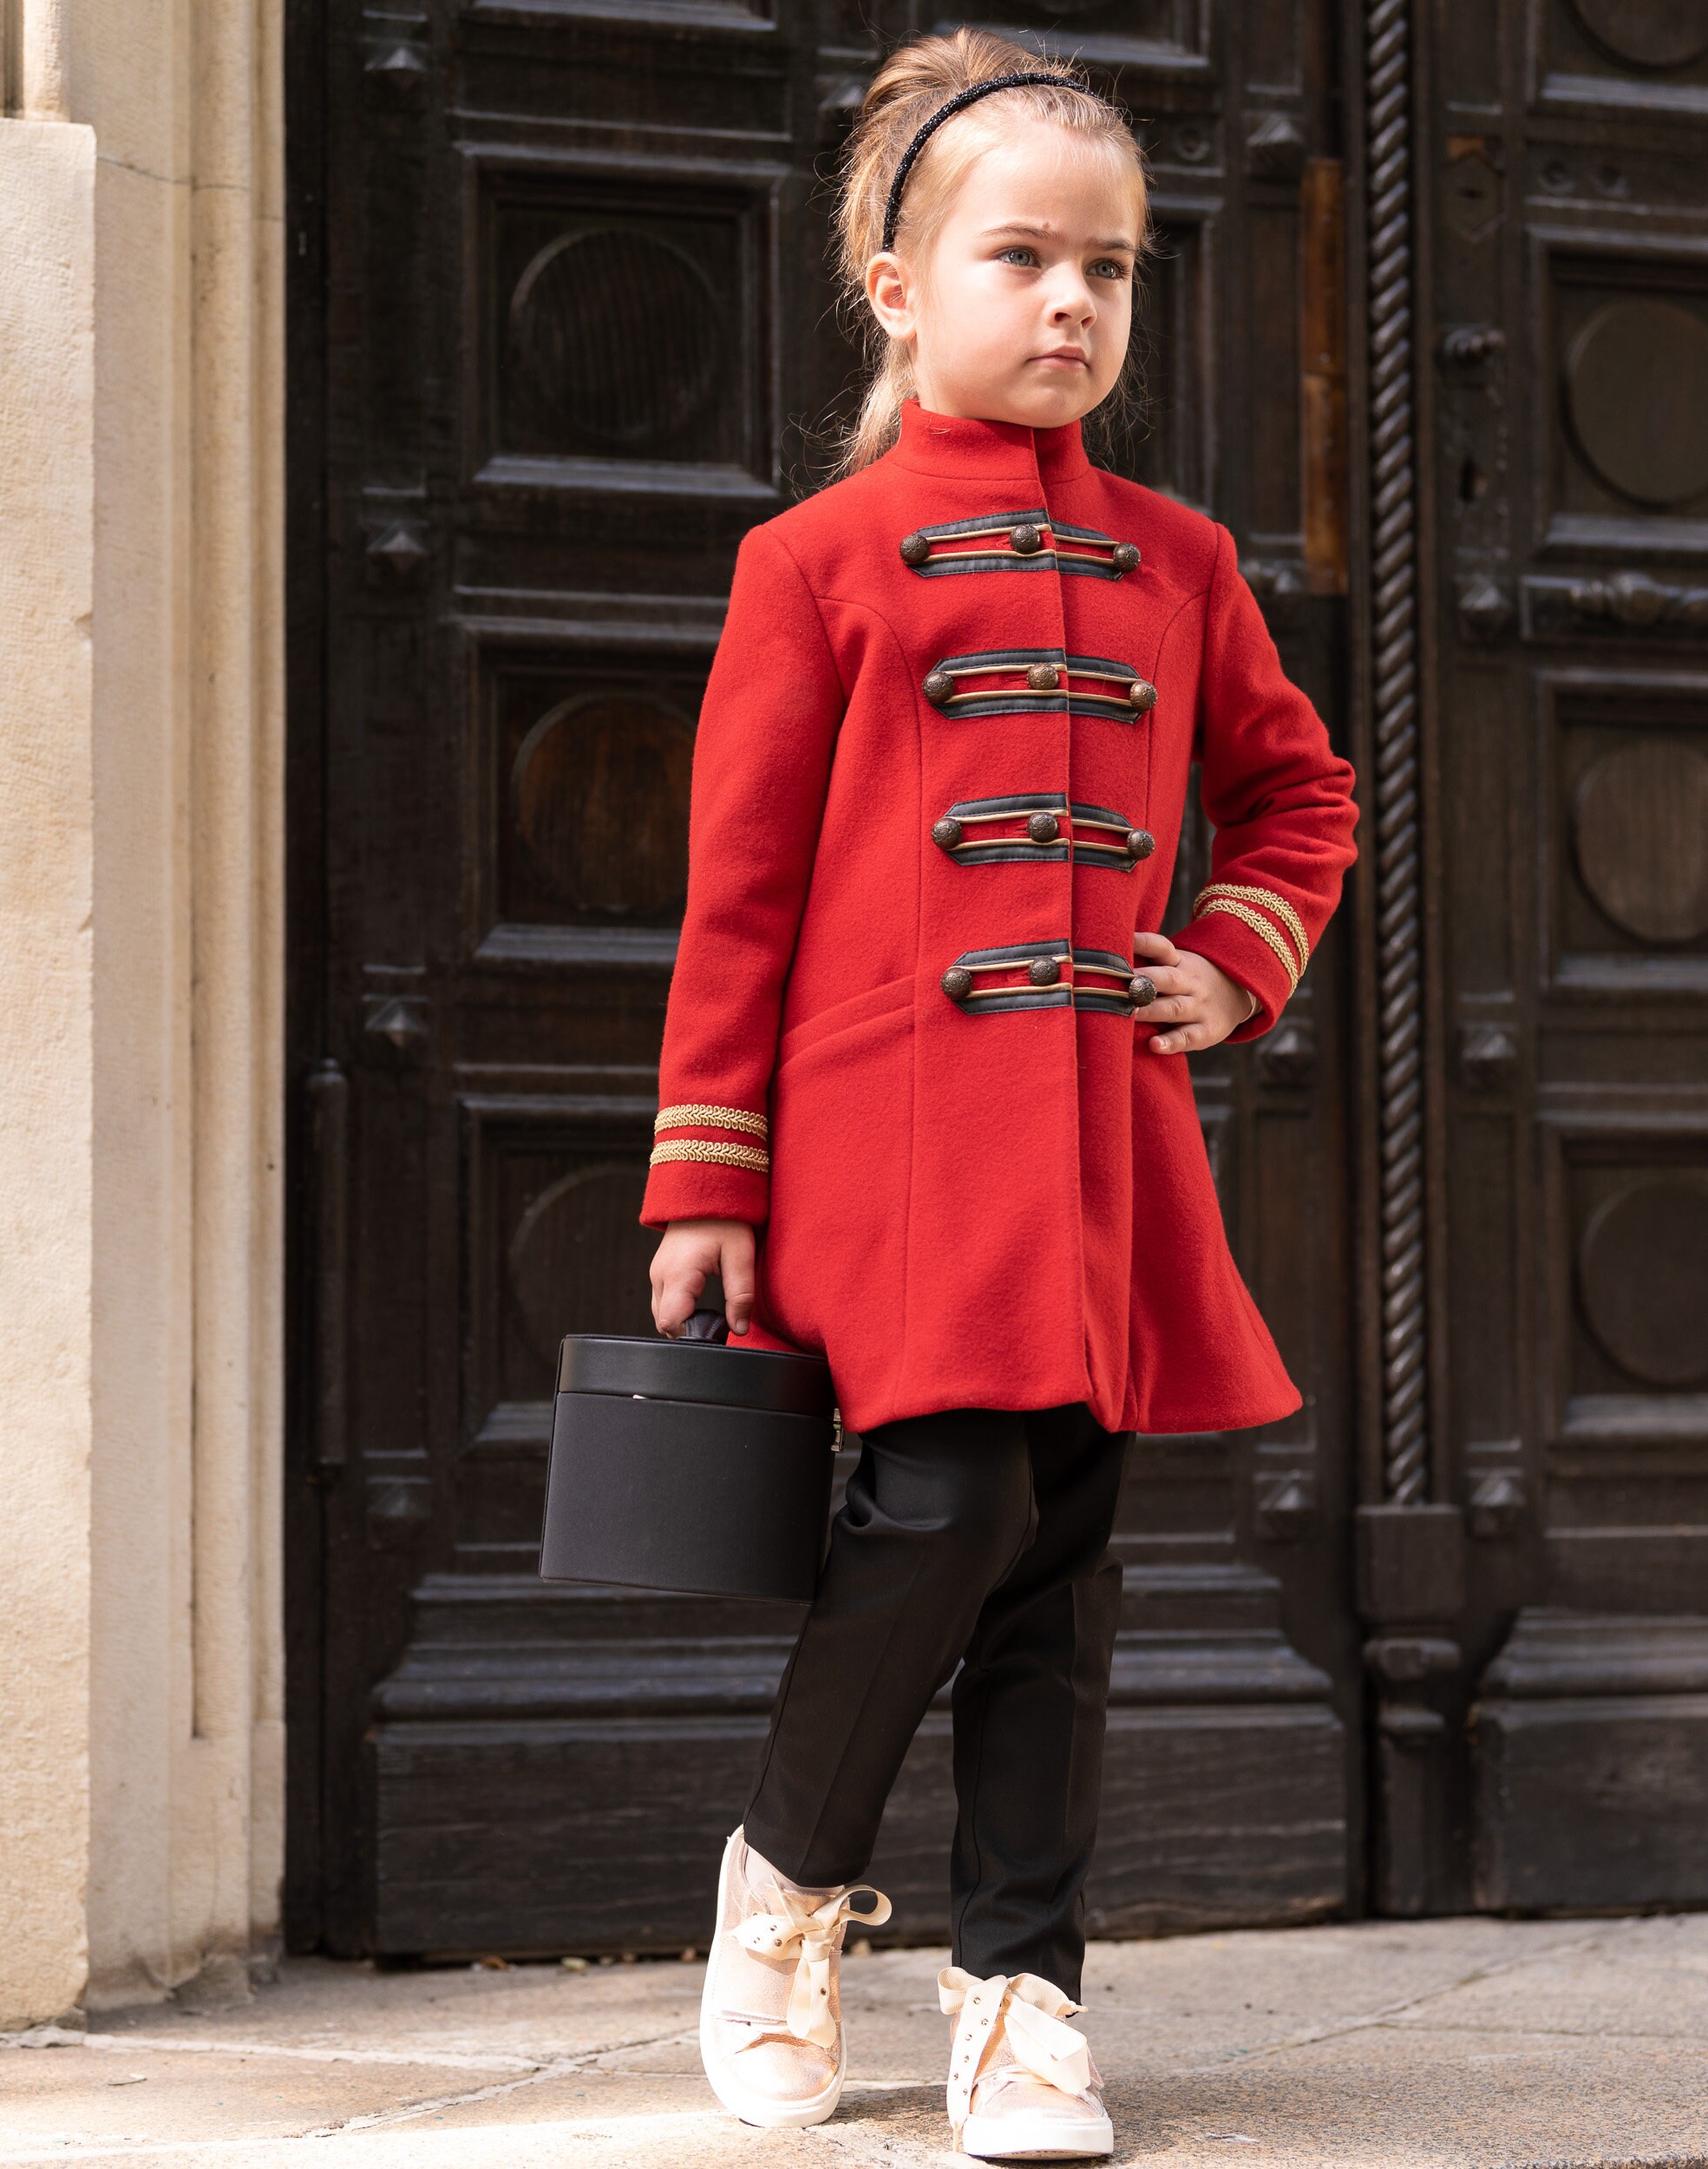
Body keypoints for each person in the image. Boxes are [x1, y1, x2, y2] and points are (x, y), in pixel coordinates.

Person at [640, 27, 1359, 2160]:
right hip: (885, 1140)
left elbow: (1297, 792)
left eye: (1112, 269)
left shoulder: (1179, 559)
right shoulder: (818, 563)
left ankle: (1023, 2001)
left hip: (1100, 1151)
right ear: (897, 281)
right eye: (1023, 257)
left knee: (1057, 1557)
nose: (1071, 303)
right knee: (942, 1502)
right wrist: (707, 1171)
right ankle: (782, 1877)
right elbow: (739, 893)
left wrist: (1228, 961)